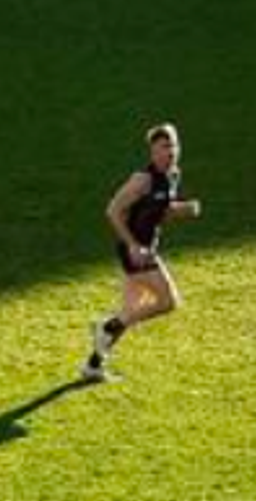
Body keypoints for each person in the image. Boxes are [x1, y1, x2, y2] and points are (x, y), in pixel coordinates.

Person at [83, 122, 195, 384]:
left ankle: (93, 366)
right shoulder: (141, 180)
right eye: (165, 146)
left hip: (148, 247)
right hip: (135, 252)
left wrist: (182, 210)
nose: (172, 151)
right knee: (169, 301)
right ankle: (105, 325)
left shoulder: (173, 175)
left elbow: (158, 210)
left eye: (175, 146)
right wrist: (133, 245)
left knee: (130, 311)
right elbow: (112, 211)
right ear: (153, 151)